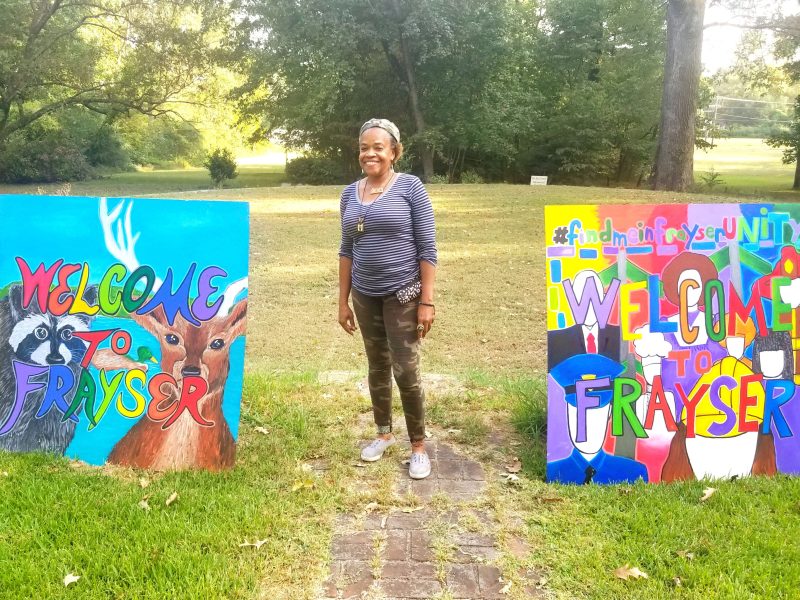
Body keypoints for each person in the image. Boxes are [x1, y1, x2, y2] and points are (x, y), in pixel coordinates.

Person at [337, 118, 437, 480]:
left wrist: (427, 301)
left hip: (403, 295)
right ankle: (383, 433)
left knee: (406, 370)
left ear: (394, 151)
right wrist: (342, 301)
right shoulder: (350, 193)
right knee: (376, 366)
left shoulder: (410, 188)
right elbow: (346, 248)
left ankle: (418, 447)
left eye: (378, 147)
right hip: (365, 295)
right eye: (364, 147)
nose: (370, 153)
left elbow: (428, 248)